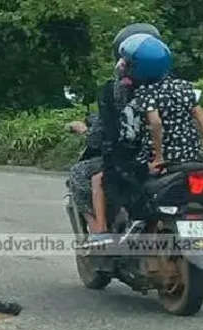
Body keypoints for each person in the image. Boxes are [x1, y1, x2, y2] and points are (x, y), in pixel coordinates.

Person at [69, 24, 162, 238]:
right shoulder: (176, 85)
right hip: (179, 158)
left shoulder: (119, 89)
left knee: (80, 174)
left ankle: (99, 232)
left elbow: (104, 136)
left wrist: (86, 130)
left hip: (132, 160)